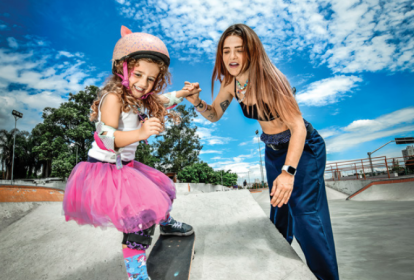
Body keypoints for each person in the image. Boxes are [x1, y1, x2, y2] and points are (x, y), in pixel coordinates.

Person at [185, 24, 339, 280]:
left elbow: (298, 128)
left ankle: (327, 277)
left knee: (305, 215)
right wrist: (197, 102)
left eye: (239, 50)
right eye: (226, 51)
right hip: (273, 149)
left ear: (251, 52)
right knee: (279, 213)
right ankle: (284, 268)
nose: (232, 57)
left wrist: (288, 173)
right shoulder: (231, 84)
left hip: (303, 148)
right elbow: (214, 115)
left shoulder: (272, 79)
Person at [63, 26, 198, 280]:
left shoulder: (142, 97)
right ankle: (136, 274)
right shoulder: (113, 98)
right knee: (139, 221)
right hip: (104, 170)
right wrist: (140, 133)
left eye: (151, 79)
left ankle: (165, 222)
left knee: (159, 192)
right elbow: (105, 139)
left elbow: (164, 100)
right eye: (138, 74)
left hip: (126, 167)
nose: (143, 84)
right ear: (122, 69)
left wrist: (184, 93)